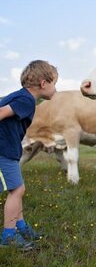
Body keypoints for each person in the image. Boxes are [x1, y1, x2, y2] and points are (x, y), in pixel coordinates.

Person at [0, 60, 58, 250]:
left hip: (8, 150)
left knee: (17, 189)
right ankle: (8, 235)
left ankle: (21, 226)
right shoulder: (26, 100)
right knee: (17, 191)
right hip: (3, 151)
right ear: (43, 84)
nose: (55, 90)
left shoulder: (18, 96)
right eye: (54, 84)